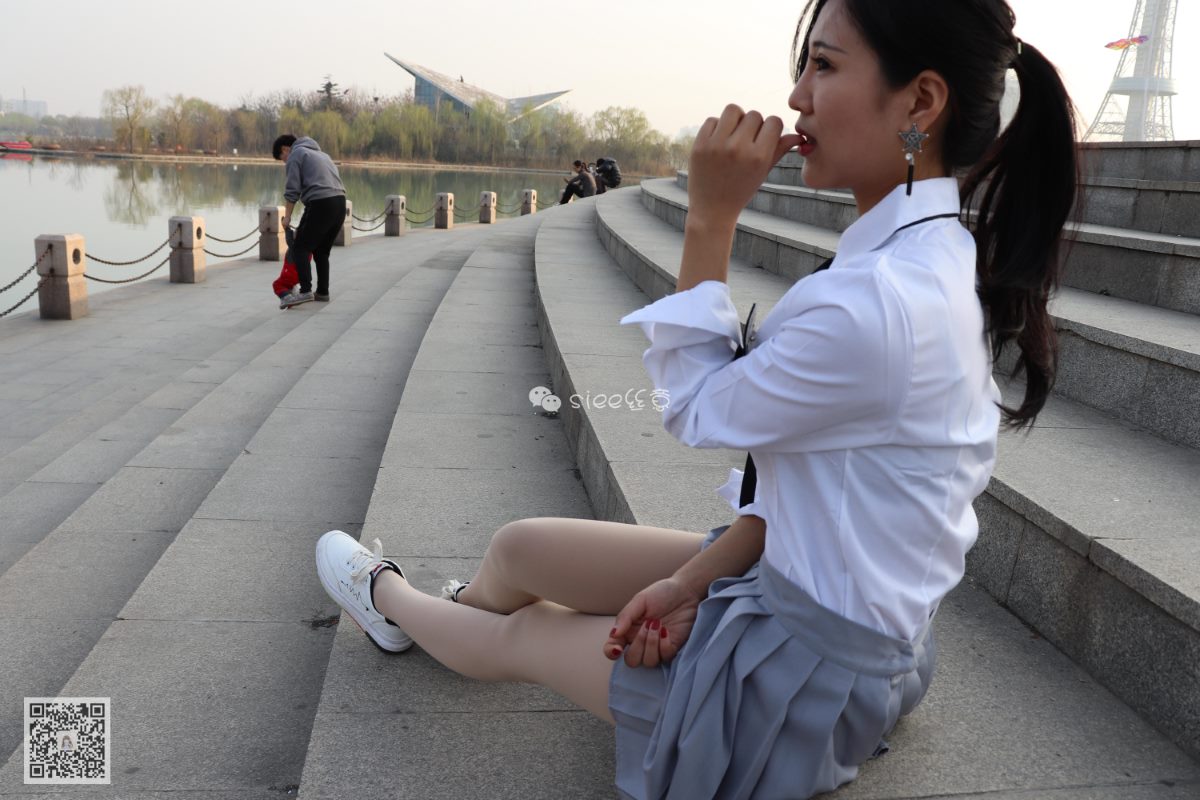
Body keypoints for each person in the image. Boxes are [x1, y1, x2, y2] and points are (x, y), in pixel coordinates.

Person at [314, 0, 1077, 796]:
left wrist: (711, 217)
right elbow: (823, 497)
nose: (797, 97)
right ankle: (464, 611)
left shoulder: (878, 304)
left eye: (824, 65)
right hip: (836, 608)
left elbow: (695, 405)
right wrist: (689, 584)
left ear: (920, 103)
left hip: (791, 683)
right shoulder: (929, 254)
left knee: (530, 633)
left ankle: (388, 599)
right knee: (517, 550)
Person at [272, 134, 347, 308]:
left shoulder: (296, 154)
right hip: (340, 202)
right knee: (322, 251)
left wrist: (287, 217)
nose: (285, 162)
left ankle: (306, 291)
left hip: (321, 202)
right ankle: (322, 292)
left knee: (300, 247)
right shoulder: (323, 155)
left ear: (285, 149)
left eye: (282, 158)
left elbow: (292, 190)